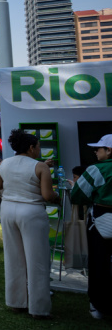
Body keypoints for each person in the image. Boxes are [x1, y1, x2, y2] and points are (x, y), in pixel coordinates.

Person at [0, 129, 58, 319]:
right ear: (31, 147)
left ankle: (16, 303)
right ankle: (39, 308)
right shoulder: (40, 167)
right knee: (38, 260)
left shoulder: (4, 163)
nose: (39, 150)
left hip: (9, 210)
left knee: (13, 257)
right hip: (32, 212)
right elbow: (48, 195)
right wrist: (57, 197)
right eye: (38, 147)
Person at [69, 133, 112, 320]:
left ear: (109, 150)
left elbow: (77, 195)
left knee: (98, 262)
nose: (95, 151)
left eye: (99, 148)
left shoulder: (97, 169)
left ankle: (98, 305)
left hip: (101, 222)